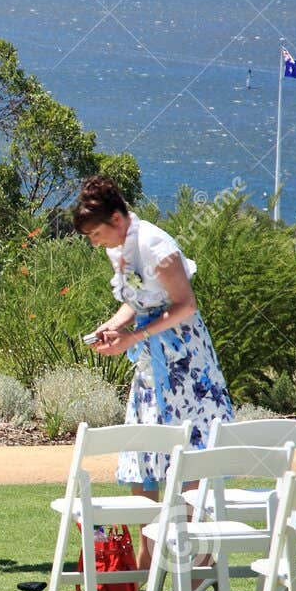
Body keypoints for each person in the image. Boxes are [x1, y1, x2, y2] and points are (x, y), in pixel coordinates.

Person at [75, 174, 233, 549]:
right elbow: (139, 300)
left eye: (96, 235)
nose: (96, 244)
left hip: (186, 361)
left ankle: (195, 560)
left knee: (192, 448)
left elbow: (186, 305)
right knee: (146, 448)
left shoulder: (156, 245)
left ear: (116, 220)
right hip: (151, 364)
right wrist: (113, 326)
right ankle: (149, 560)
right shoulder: (121, 248)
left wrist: (133, 337)